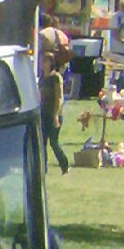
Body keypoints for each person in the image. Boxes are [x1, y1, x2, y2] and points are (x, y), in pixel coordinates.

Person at [41, 46, 72, 174]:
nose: (41, 64)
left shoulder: (56, 77)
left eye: (44, 61)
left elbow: (59, 97)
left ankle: (65, 166)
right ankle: (43, 169)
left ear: (50, 63)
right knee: (42, 142)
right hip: (43, 114)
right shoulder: (42, 78)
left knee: (54, 142)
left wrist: (55, 115)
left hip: (54, 113)